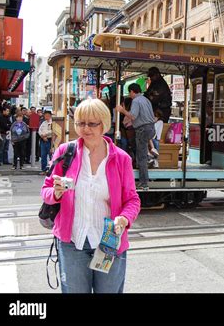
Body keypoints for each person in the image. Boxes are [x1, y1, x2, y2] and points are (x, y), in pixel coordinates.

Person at [41, 98, 140, 293]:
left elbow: (132, 199)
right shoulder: (65, 152)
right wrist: (56, 193)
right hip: (72, 241)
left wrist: (124, 218)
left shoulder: (121, 159)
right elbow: (46, 191)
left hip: (109, 241)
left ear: (104, 123)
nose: (85, 129)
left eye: (92, 123)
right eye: (80, 123)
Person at [116, 83, 156, 189]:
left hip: (142, 129)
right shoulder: (146, 100)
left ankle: (144, 183)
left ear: (132, 91)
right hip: (151, 128)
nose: (130, 95)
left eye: (130, 92)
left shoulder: (136, 101)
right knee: (138, 149)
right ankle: (149, 157)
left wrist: (122, 110)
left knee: (141, 156)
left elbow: (133, 116)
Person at [39, 110, 53, 175]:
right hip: (43, 140)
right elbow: (40, 130)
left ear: (50, 116)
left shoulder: (53, 123)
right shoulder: (43, 122)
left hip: (50, 140)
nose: (46, 117)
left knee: (51, 155)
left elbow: (53, 131)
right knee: (43, 155)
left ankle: (51, 170)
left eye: (47, 115)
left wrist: (45, 134)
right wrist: (42, 136)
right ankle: (43, 169)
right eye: (45, 115)